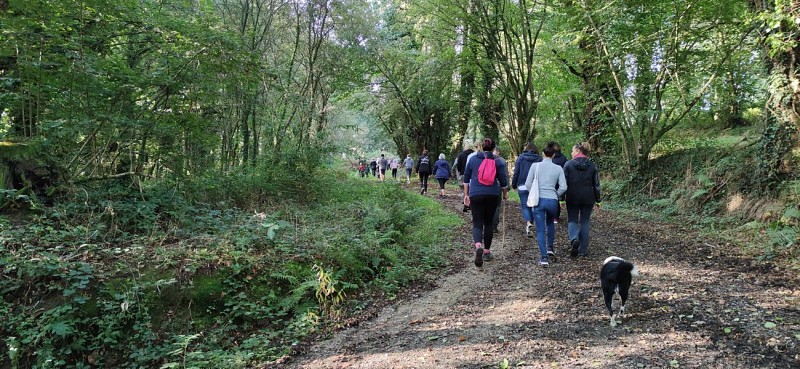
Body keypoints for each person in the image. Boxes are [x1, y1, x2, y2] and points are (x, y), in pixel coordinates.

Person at [463, 138, 509, 267]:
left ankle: (478, 245)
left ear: (481, 147)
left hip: (476, 194)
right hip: (492, 194)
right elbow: (503, 181)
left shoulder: (472, 159)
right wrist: (505, 193)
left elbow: (466, 179)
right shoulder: (498, 161)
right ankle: (487, 252)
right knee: (488, 222)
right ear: (494, 148)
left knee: (477, 222)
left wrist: (466, 195)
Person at [524, 142, 567, 267]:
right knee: (550, 224)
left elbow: (528, 184)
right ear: (553, 155)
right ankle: (550, 248)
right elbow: (564, 187)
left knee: (541, 229)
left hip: (539, 201)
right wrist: (556, 193)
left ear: (543, 154)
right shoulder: (558, 168)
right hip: (553, 200)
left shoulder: (535, 166)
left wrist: (533, 192)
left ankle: (544, 258)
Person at [563, 142, 601, 257]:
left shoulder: (568, 165)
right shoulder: (592, 166)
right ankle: (582, 250)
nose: (571, 152)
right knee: (585, 221)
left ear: (578, 151)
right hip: (588, 197)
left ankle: (574, 239)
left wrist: (561, 199)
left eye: (573, 150)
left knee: (572, 219)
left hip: (572, 197)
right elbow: (596, 184)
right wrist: (598, 200)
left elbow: (564, 183)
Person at [511, 142, 543, 237]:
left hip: (522, 185)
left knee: (525, 206)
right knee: (533, 205)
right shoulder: (540, 159)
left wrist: (514, 184)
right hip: (535, 186)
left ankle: (529, 223)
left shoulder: (521, 158)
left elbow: (516, 171)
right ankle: (530, 225)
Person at [491, 146, 507, 233]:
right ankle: (494, 226)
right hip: (497, 186)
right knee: (496, 206)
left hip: (485, 186)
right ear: (498, 152)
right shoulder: (502, 161)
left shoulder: (483, 159)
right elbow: (505, 176)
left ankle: (487, 225)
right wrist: (506, 189)